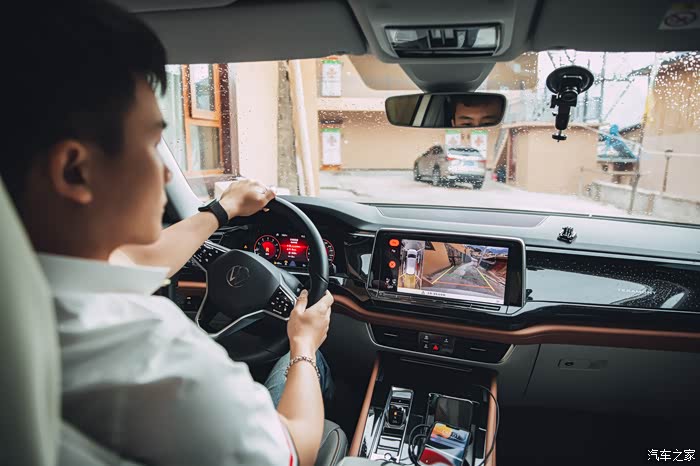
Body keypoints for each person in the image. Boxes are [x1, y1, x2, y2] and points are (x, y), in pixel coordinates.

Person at [3, 1, 335, 465]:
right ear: (75, 171)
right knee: (311, 372)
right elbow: (296, 448)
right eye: (150, 143)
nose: (163, 173)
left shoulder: (30, 293)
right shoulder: (155, 356)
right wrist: (303, 345)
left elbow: (142, 261)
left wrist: (223, 209)